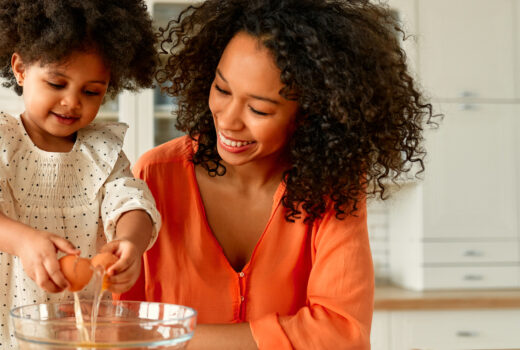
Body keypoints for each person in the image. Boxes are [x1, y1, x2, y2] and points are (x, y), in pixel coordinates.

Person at [115, 0, 436, 348]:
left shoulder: (333, 187)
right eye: (222, 89)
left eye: (259, 109)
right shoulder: (157, 175)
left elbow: (343, 334)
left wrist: (176, 340)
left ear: (311, 114)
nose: (228, 120)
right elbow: (120, 323)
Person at [0, 1, 161, 348]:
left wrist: (129, 243)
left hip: (82, 335)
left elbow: (131, 202)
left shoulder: (102, 151)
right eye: (57, 83)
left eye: (91, 92)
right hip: (3, 332)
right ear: (20, 69)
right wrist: (23, 241)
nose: (72, 102)